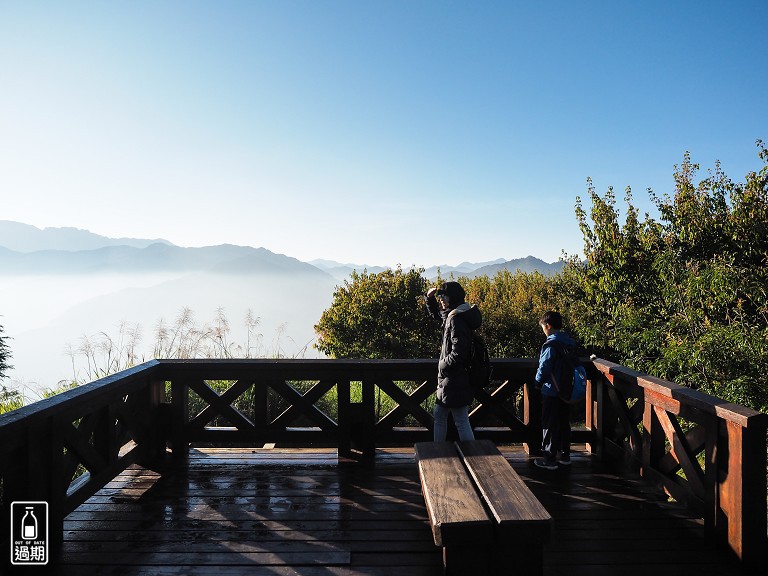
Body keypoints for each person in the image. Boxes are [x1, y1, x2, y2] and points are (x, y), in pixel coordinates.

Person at [424, 281, 481, 442]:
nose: (441, 299)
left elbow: (459, 352)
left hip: (454, 376)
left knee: (460, 419)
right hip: (454, 376)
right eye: (440, 296)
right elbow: (440, 316)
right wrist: (430, 299)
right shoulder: (457, 314)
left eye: (444, 296)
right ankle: (442, 451)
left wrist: (443, 365)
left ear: (453, 298)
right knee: (442, 415)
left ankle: (468, 456)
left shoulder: (456, 319)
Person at [533, 310, 576, 470]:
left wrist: (537, 382)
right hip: (566, 390)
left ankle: (549, 459)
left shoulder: (551, 345)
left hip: (552, 391)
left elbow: (544, 367)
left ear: (548, 326)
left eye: (543, 327)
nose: (543, 330)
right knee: (564, 422)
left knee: (549, 423)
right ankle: (565, 455)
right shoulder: (569, 343)